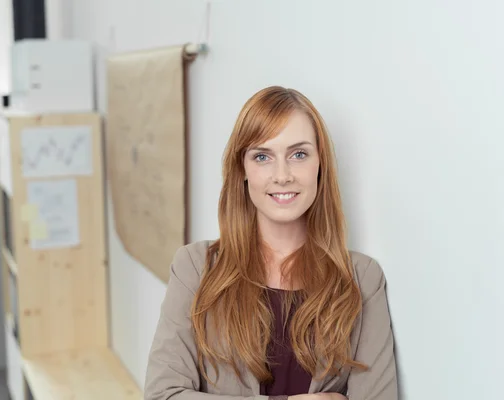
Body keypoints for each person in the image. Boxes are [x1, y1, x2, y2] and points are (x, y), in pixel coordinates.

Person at [144, 86, 398, 400]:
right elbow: (163, 395)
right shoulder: (195, 267)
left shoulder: (362, 278)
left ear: (321, 165)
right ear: (243, 170)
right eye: (263, 156)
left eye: (299, 154)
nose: (282, 175)